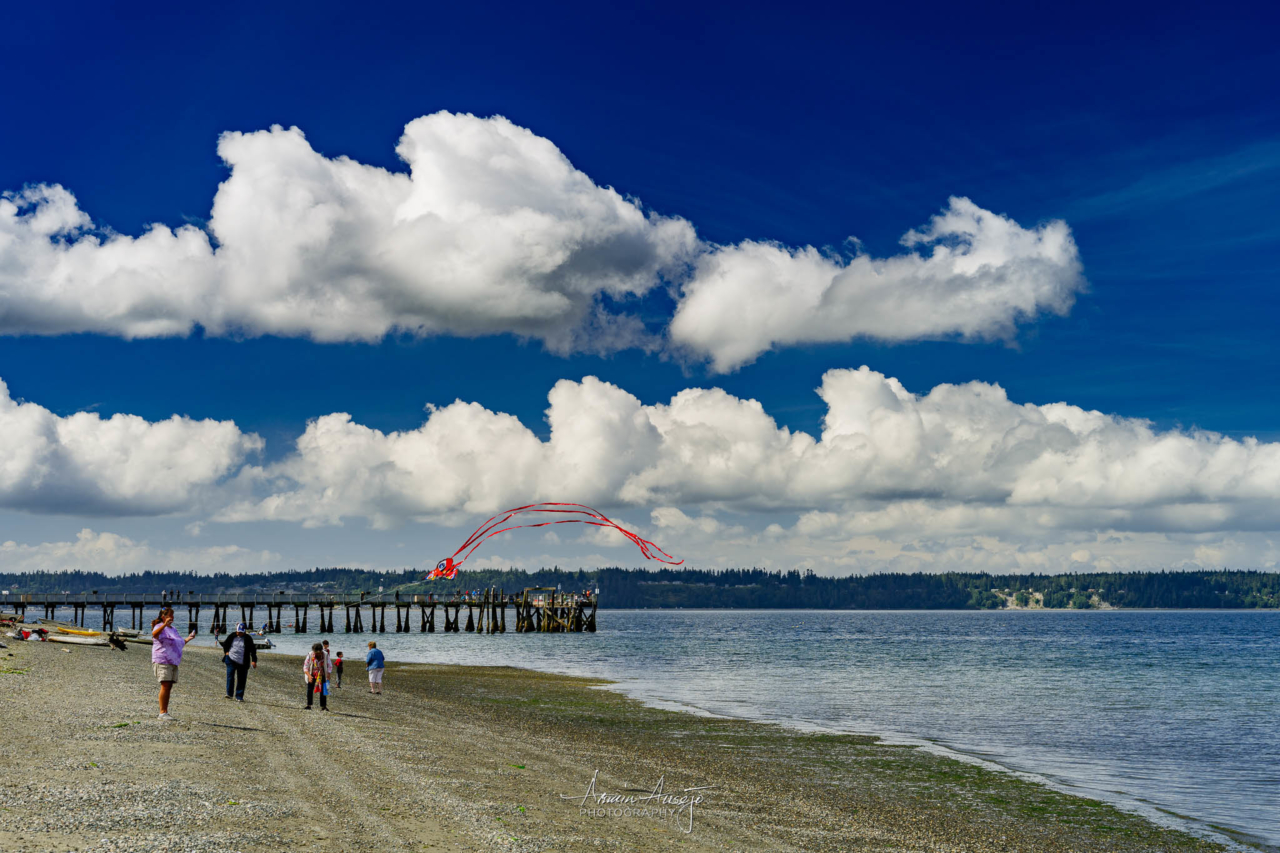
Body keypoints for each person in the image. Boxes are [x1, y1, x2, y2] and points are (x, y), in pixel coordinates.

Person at [151, 606, 197, 721]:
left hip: (173, 661)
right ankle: (162, 713)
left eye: (172, 615)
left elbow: (179, 643)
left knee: (169, 686)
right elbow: (155, 635)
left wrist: (189, 638)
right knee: (165, 685)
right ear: (163, 617)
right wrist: (164, 625)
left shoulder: (174, 629)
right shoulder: (159, 626)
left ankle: (165, 711)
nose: (172, 617)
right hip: (162, 660)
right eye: (169, 615)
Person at [218, 622, 258, 701]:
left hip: (243, 661)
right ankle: (229, 694)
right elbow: (225, 644)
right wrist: (226, 653)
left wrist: (254, 660)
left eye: (241, 632)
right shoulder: (232, 636)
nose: (239, 633)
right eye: (238, 632)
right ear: (236, 631)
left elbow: (253, 650)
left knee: (241, 679)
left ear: (244, 632)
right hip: (230, 659)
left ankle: (239, 696)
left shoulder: (248, 639)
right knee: (230, 676)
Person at [303, 642, 331, 711]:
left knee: (323, 690)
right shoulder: (310, 655)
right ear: (314, 651)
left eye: (319, 653)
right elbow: (305, 667)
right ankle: (309, 705)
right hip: (312, 673)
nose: (318, 654)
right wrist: (309, 676)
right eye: (316, 653)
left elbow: (329, 665)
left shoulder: (325, 655)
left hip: (322, 674)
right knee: (310, 689)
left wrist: (328, 675)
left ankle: (323, 706)